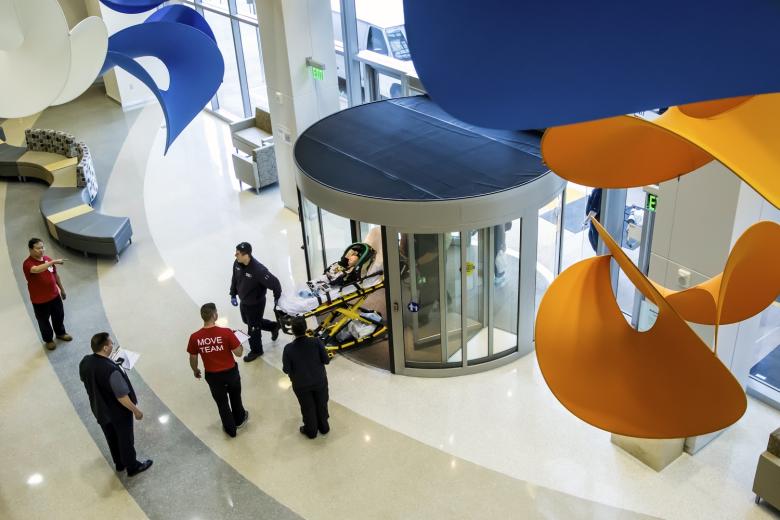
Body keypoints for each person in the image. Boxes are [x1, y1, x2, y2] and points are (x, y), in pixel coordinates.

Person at [79, 332, 152, 477]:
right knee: (125, 439)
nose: (113, 345)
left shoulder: (85, 362)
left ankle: (119, 463)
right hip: (118, 412)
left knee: (111, 437)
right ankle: (132, 466)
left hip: (99, 409)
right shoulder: (111, 369)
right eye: (111, 343)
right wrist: (136, 411)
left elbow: (85, 378)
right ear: (105, 348)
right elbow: (121, 396)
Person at [187, 303, 249, 437]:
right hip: (230, 373)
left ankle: (230, 430)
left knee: (222, 403)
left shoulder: (195, 337)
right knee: (235, 397)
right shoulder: (226, 333)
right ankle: (239, 419)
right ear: (214, 315)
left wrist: (195, 370)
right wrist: (238, 341)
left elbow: (193, 357)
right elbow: (239, 353)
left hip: (213, 376)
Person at [229, 242, 282, 362]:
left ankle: (257, 350)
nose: (235, 255)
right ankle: (273, 326)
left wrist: (277, 299)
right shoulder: (237, 263)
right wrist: (233, 294)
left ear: (246, 255)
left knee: (253, 328)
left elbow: (275, 283)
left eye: (237, 254)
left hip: (255, 304)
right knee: (247, 321)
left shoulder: (259, 270)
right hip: (244, 301)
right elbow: (234, 279)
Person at [282, 317, 330, 439]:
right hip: (319, 380)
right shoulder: (316, 342)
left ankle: (311, 430)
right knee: (322, 403)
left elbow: (286, 369)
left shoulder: (288, 349)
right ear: (306, 328)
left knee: (307, 407)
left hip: (301, 384)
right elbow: (326, 360)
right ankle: (324, 427)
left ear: (292, 331)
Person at [22, 237, 72, 350]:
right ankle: (48, 340)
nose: (41, 250)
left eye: (43, 247)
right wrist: (53, 261)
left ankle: (60, 333)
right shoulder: (27, 263)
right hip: (39, 301)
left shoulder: (47, 259)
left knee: (59, 316)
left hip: (54, 296)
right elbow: (36, 270)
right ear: (30, 249)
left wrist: (62, 290)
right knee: (43, 321)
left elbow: (55, 276)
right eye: (38, 248)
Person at [584, 188, 603, 253]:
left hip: (596, 222)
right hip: (593, 221)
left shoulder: (599, 191)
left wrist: (585, 221)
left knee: (596, 244)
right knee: (591, 236)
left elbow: (594, 211)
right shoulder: (596, 189)